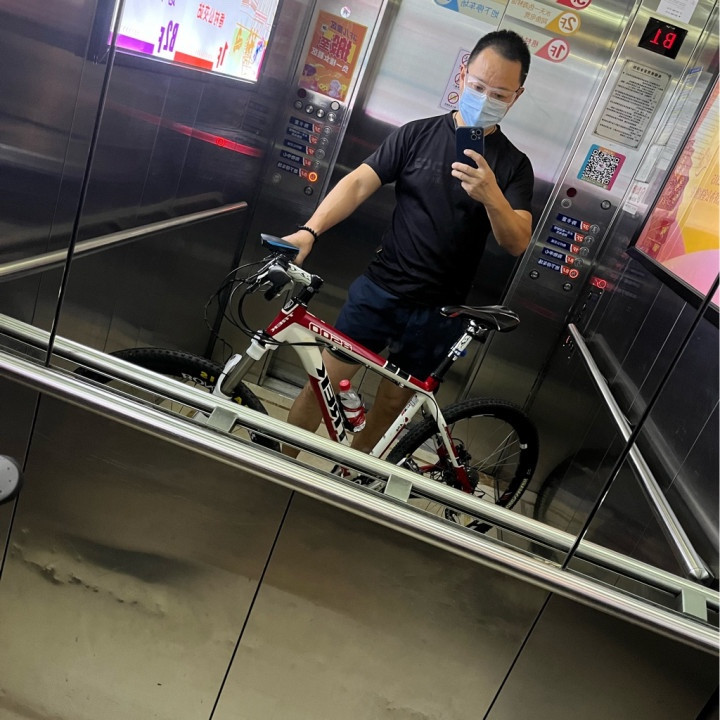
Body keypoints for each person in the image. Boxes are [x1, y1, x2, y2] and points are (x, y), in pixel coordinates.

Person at [283, 29, 534, 456]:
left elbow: (517, 242)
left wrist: (491, 195)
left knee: (390, 407)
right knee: (322, 383)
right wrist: (310, 230)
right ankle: (278, 465)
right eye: (478, 87)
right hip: (380, 289)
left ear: (516, 96)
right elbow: (359, 183)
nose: (484, 99)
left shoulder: (514, 166)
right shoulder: (417, 134)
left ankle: (353, 478)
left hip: (440, 311)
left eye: (499, 94)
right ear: (462, 76)